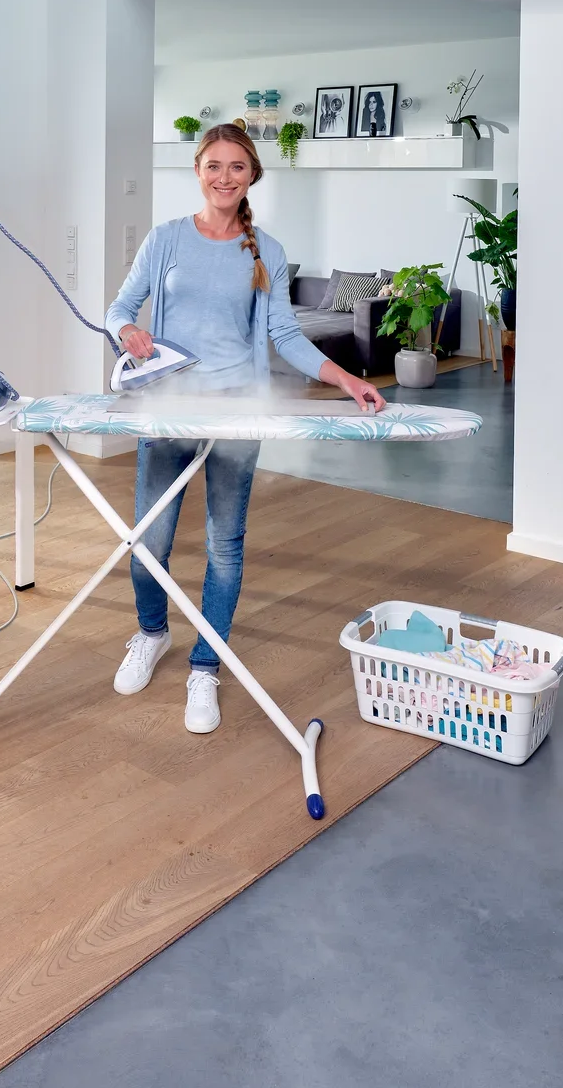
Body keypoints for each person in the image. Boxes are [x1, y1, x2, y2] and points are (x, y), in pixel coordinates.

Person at [105, 122, 385, 734]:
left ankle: (205, 667)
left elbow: (286, 335)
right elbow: (120, 308)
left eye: (237, 166)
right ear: (198, 170)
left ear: (251, 174)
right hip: (170, 404)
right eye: (214, 165)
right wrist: (128, 331)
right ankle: (151, 634)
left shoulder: (268, 251)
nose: (224, 176)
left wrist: (347, 380)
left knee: (223, 545)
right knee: (149, 540)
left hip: (237, 407)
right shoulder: (166, 240)